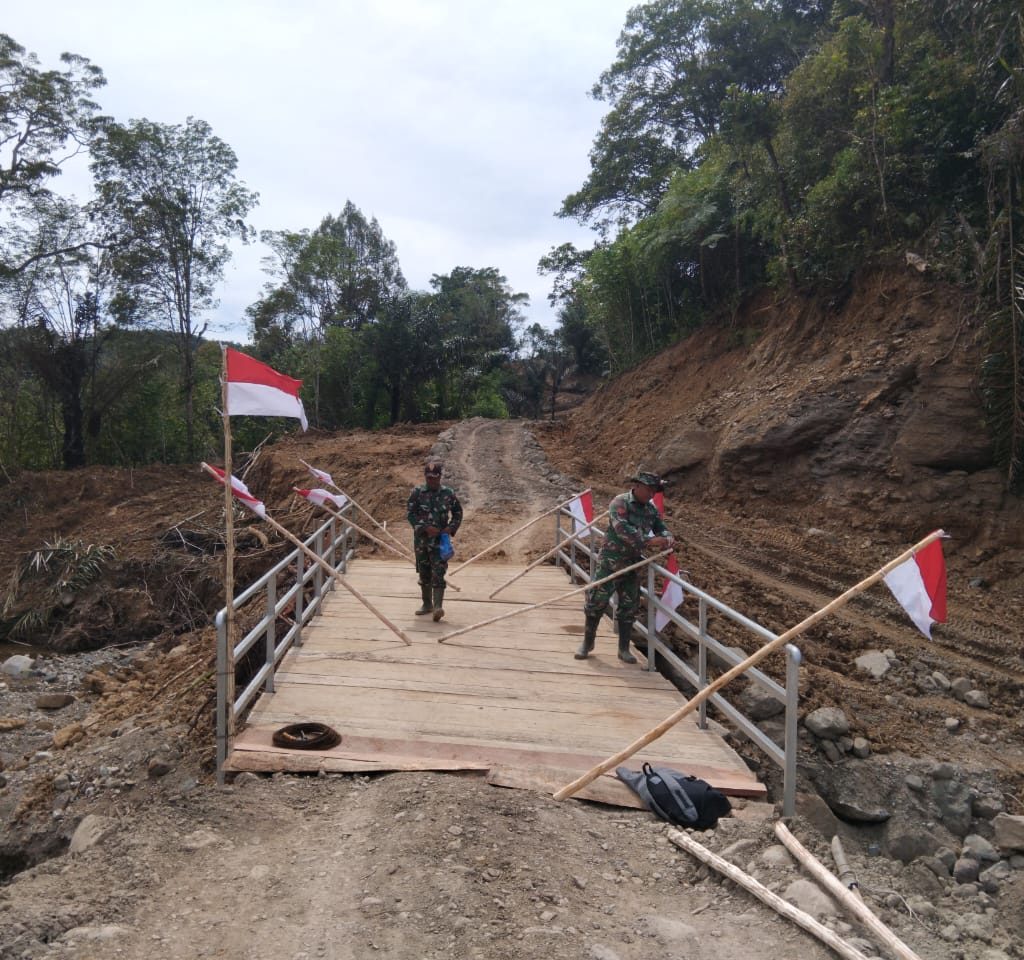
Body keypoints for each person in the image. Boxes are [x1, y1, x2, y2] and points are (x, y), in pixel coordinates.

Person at [576, 470, 674, 664]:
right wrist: (651, 541)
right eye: (648, 489)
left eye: (654, 491)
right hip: (610, 563)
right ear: (636, 486)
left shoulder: (651, 510)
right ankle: (587, 643)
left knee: (629, 607)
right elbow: (622, 529)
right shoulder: (620, 503)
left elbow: (660, 527)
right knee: (596, 602)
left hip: (632, 565)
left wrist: (667, 536)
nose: (651, 494)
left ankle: (623, 649)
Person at [406, 458, 463, 621]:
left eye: (434, 477)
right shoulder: (417, 493)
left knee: (439, 572)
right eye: (428, 477)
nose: (431, 480)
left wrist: (450, 528)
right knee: (424, 573)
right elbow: (410, 514)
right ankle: (427, 604)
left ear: (440, 477)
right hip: (422, 542)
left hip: (440, 542)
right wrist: (424, 527)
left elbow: (458, 513)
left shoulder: (448, 494)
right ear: (425, 476)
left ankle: (438, 607)